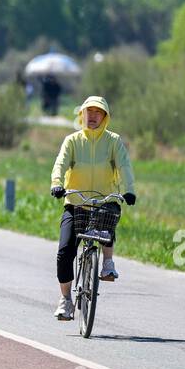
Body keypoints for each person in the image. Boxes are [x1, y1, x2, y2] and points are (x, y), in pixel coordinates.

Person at [48, 96, 137, 321]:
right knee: (64, 252)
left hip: (103, 199)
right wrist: (57, 184)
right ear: (82, 114)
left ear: (105, 117)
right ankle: (66, 300)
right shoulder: (72, 141)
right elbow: (60, 163)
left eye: (98, 112)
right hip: (75, 202)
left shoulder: (113, 141)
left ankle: (107, 264)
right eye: (90, 112)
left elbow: (124, 166)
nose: (93, 116)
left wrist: (129, 190)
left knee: (109, 214)